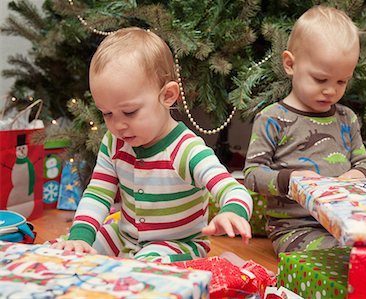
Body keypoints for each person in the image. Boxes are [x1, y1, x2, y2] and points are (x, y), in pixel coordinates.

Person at [51, 27, 253, 262]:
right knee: (69, 251)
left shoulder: (186, 150)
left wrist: (232, 211)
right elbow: (98, 193)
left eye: (129, 112)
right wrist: (81, 238)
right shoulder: (113, 143)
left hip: (178, 244)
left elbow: (233, 189)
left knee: (146, 267)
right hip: (125, 236)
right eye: (107, 113)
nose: (118, 125)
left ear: (168, 96)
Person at [243, 5, 366, 254]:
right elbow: (252, 175)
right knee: (342, 256)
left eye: (341, 81)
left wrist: (355, 177)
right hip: (296, 228)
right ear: (290, 64)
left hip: (347, 220)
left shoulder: (346, 118)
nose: (331, 90)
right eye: (320, 79)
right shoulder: (272, 118)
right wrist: (289, 179)